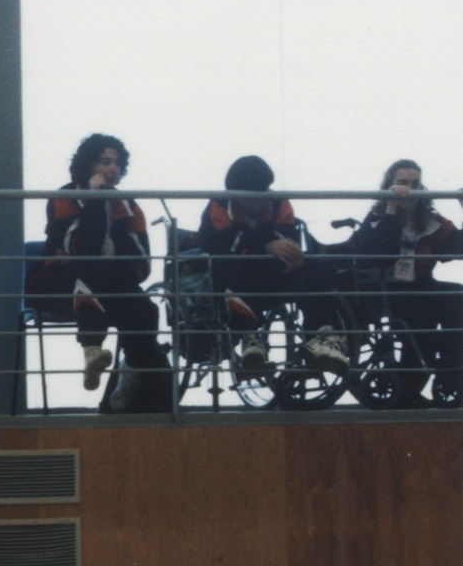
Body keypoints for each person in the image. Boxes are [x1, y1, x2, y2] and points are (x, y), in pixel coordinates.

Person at [33, 133, 165, 404]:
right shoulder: (64, 197)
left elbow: (141, 265)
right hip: (57, 283)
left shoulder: (128, 205)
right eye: (105, 162)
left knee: (145, 308)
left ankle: (129, 378)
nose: (113, 169)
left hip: (107, 283)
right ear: (88, 165)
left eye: (117, 164)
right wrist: (94, 201)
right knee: (87, 273)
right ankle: (92, 350)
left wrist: (98, 256)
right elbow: (83, 247)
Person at [197, 156, 350, 375]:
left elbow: (289, 237)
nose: (257, 204)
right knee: (229, 266)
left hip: (270, 274)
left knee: (311, 264)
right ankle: (249, 336)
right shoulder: (218, 206)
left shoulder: (279, 202)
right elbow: (225, 248)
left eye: (262, 196)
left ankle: (320, 334)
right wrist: (267, 244)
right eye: (250, 198)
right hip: (232, 278)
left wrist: (292, 253)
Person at [339, 159, 463, 399]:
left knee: (457, 295)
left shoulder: (430, 220)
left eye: (415, 184)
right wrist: (392, 209)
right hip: (386, 287)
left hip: (420, 283)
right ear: (389, 186)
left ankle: (453, 362)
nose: (408, 189)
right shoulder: (376, 218)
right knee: (421, 314)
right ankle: (409, 387)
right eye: (402, 182)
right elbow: (377, 255)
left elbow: (457, 248)